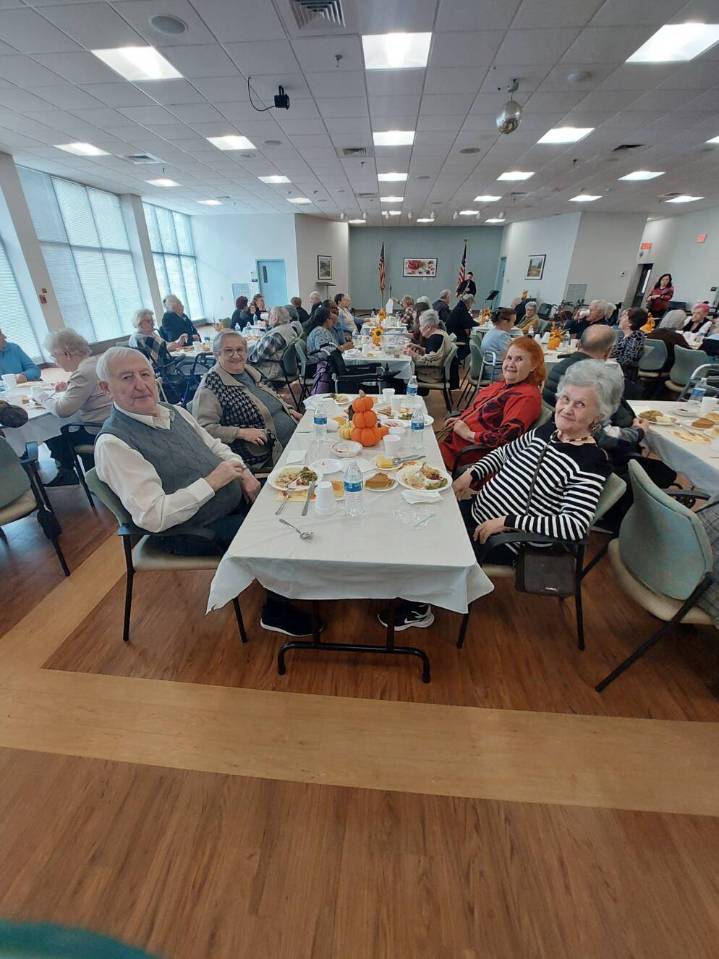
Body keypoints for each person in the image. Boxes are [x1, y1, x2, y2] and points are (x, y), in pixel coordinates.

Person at [380, 360, 621, 630]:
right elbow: (504, 453)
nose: (566, 409)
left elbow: (575, 526)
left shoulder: (591, 462)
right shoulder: (548, 432)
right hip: (479, 510)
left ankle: (419, 608)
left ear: (598, 416)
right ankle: (403, 581)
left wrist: (507, 522)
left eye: (580, 404)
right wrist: (469, 475)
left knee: (426, 535)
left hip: (508, 540)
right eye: (565, 398)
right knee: (413, 513)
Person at [94, 347, 315, 636]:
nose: (141, 384)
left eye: (145, 374)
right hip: (191, 530)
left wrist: (245, 475)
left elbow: (216, 447)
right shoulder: (114, 444)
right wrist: (212, 482)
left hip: (229, 502)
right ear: (105, 388)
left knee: (297, 508)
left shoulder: (174, 411)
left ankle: (298, 581)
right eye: (126, 378)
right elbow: (153, 517)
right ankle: (276, 609)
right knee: (276, 533)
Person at [193, 331, 301, 473]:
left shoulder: (249, 370)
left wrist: (288, 409)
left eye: (240, 350)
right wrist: (241, 433)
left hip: (293, 438)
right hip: (264, 454)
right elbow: (202, 429)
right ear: (216, 354)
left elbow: (271, 396)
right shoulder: (210, 386)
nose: (236, 355)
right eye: (228, 351)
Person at [440, 337, 544, 472]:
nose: (511, 364)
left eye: (519, 359)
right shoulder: (504, 385)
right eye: (509, 358)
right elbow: (479, 412)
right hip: (453, 443)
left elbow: (505, 437)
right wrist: (462, 418)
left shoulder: (527, 397)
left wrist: (468, 434)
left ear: (533, 365)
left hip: (466, 456)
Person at [42, 328, 113, 487]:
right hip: (112, 421)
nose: (55, 361)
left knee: (53, 432)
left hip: (98, 430)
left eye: (54, 356)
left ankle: (67, 471)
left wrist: (42, 398)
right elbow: (91, 391)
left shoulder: (82, 373)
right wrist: (68, 387)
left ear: (66, 354)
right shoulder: (95, 363)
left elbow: (62, 410)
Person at [307, 306, 354, 393]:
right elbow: (323, 353)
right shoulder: (320, 331)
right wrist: (342, 348)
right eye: (331, 318)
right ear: (327, 320)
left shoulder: (325, 330)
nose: (333, 321)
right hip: (317, 367)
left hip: (322, 365)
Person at [247, 306, 301, 382]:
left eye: (270, 315)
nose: (268, 317)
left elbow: (258, 356)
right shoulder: (290, 329)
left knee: (243, 368)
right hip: (286, 368)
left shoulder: (276, 335)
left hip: (273, 371)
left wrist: (247, 360)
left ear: (275, 318)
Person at [405, 309, 453, 385]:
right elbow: (433, 355)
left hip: (432, 375)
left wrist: (412, 354)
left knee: (403, 373)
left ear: (428, 327)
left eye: (421, 326)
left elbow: (429, 361)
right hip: (436, 372)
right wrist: (419, 348)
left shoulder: (435, 338)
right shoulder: (440, 332)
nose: (420, 328)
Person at [480, 308, 518, 382]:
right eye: (513, 322)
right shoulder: (502, 335)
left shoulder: (491, 332)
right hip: (496, 373)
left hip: (487, 370)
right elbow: (509, 358)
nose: (513, 325)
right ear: (505, 322)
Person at [611, 307, 647, 377]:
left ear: (630, 322)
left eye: (624, 316)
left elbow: (626, 360)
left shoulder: (637, 336)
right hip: (614, 369)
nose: (620, 318)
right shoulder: (622, 335)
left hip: (624, 374)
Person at [446, 294, 475, 359]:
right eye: (471, 305)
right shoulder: (462, 310)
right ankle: (458, 359)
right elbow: (468, 327)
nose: (470, 307)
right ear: (468, 303)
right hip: (457, 337)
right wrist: (479, 324)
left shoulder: (459, 307)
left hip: (452, 334)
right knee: (472, 344)